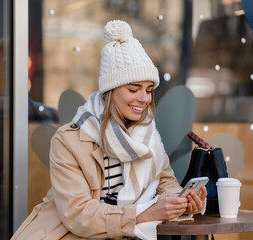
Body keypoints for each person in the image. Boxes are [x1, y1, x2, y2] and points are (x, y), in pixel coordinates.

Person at [11, 20, 206, 240]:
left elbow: (163, 181)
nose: (144, 99)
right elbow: (79, 215)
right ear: (110, 91)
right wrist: (145, 213)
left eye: (149, 90)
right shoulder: (69, 141)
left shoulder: (147, 134)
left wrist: (178, 201)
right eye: (134, 89)